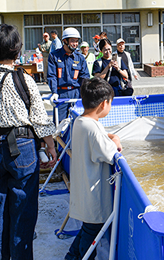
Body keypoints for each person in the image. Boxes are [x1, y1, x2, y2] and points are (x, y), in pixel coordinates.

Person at [0, 24, 57, 260]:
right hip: (21, 146)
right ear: (17, 49)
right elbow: (40, 119)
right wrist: (50, 145)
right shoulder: (23, 78)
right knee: (23, 208)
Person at [65, 77, 122, 260]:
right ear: (104, 103)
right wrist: (117, 141)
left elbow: (98, 138)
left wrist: (108, 135)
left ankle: (71, 257)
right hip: (94, 196)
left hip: (82, 190)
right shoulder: (93, 128)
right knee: (91, 235)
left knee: (87, 230)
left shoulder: (81, 121)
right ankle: (83, 257)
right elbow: (111, 153)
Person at [48, 27, 90, 122]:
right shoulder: (54, 55)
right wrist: (54, 92)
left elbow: (85, 78)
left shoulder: (80, 57)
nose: (75, 44)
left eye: (76, 41)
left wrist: (85, 93)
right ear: (65, 41)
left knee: (78, 123)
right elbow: (52, 76)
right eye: (72, 41)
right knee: (59, 125)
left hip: (76, 93)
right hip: (61, 94)